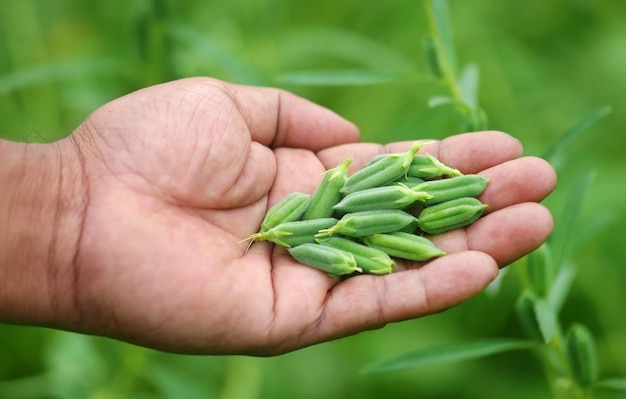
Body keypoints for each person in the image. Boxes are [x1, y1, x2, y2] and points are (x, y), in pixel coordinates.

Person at [0, 77, 556, 356]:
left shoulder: (360, 198)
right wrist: (64, 207)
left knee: (454, 211)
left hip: (339, 222)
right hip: (332, 225)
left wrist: (63, 207)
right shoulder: (338, 206)